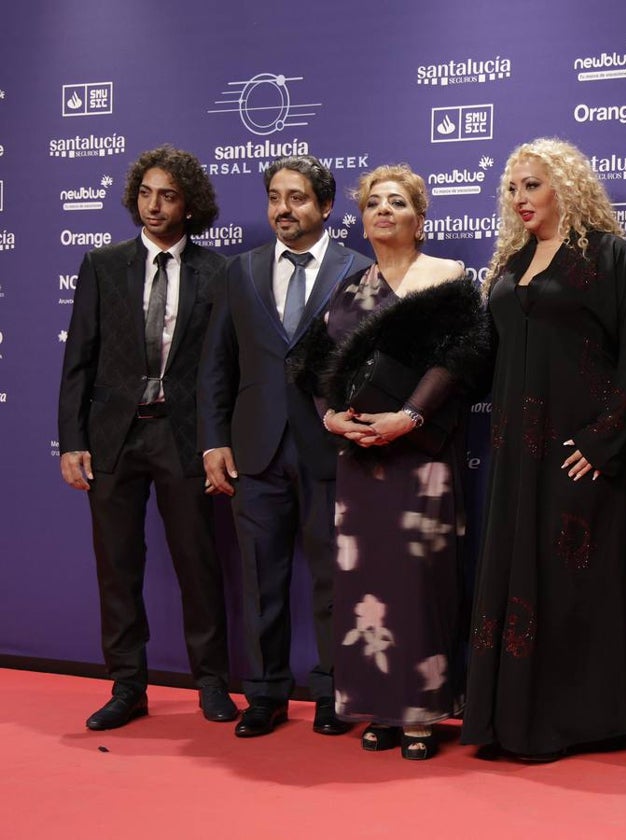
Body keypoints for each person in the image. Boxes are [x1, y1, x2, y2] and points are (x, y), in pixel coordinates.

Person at [461, 138, 626, 760]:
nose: (521, 198)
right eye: (514, 188)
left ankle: (573, 722)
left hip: (578, 448)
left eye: (533, 185)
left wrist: (603, 441)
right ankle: (505, 721)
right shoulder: (513, 262)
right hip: (515, 451)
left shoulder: (606, 258)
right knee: (513, 570)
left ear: (565, 188)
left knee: (571, 584)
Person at [307, 165, 488, 759]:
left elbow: (459, 360)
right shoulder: (348, 287)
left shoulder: (447, 277)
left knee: (419, 585)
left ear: (420, 216)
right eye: (373, 204)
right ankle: (375, 708)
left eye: (398, 202)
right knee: (364, 585)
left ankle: (420, 712)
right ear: (360, 218)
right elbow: (316, 365)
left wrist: (408, 417)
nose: (384, 211)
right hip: (360, 459)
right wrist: (330, 416)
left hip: (422, 456)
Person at [58, 145, 235, 729]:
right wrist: (72, 440)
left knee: (197, 563)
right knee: (117, 565)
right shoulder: (102, 265)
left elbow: (224, 368)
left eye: (168, 196)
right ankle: (127, 684)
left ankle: (211, 683)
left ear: (189, 206)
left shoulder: (218, 272)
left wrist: (218, 439)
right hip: (113, 438)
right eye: (145, 193)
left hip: (184, 437)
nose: (153, 206)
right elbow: (77, 361)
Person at [199, 155, 372, 738]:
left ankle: (330, 692)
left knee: (333, 579)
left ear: (325, 207)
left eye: (297, 198)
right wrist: (213, 442)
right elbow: (216, 366)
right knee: (260, 578)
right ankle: (265, 694)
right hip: (255, 450)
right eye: (275, 197)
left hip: (329, 450)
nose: (283, 209)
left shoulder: (359, 269)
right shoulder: (240, 271)